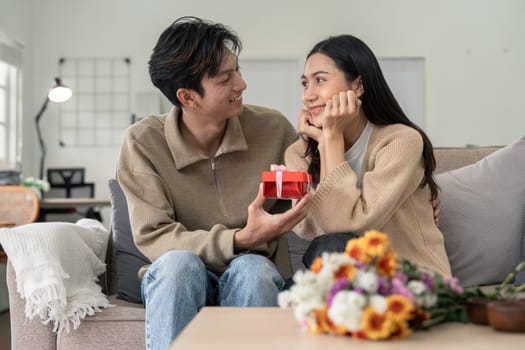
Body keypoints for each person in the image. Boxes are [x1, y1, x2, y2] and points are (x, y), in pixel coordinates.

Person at [116, 16, 311, 349]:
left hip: (252, 267)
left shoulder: (272, 128)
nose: (242, 84)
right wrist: (238, 238)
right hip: (180, 274)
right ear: (188, 97)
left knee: (255, 271)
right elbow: (155, 236)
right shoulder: (143, 142)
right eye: (226, 78)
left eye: (237, 70)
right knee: (179, 266)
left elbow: (312, 188)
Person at [285, 34, 451, 277]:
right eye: (305, 83)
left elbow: (357, 223)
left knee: (333, 246)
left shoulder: (401, 141)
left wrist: (331, 139)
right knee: (323, 255)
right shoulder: (298, 153)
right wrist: (326, 141)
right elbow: (304, 225)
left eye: (320, 80)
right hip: (340, 278)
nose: (307, 96)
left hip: (409, 279)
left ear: (357, 86)